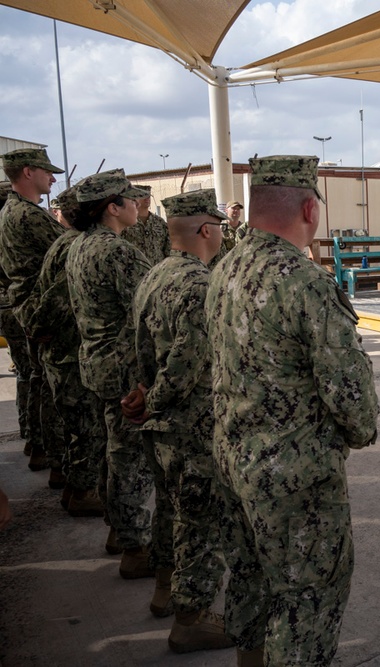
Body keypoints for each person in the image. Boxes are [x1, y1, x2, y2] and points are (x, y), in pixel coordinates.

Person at [206, 155, 379, 666]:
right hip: (295, 477)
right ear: (310, 208)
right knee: (307, 597)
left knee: (253, 577)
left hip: (233, 458)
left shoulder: (224, 268)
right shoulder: (304, 282)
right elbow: (353, 400)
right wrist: (359, 429)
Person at [126, 188, 233, 653]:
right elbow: (187, 365)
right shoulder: (196, 285)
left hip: (160, 424)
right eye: (222, 228)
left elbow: (146, 352)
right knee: (200, 521)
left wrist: (145, 397)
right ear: (206, 229)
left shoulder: (156, 275)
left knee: (172, 510)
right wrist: (155, 400)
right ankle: (191, 617)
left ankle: (165, 590)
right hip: (189, 424)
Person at [66, 169, 154, 578]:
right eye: (129, 199)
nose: (137, 205)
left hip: (97, 362)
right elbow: (150, 311)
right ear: (112, 208)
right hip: (123, 368)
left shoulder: (80, 245)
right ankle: (134, 544)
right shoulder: (116, 252)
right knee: (129, 458)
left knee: (114, 450)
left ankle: (120, 532)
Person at [30, 186, 106, 517]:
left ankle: (75, 486)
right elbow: (56, 299)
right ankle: (84, 491)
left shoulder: (66, 241)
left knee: (78, 423)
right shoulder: (76, 245)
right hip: (68, 349)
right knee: (86, 426)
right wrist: (41, 329)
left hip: (63, 348)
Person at [0, 148, 66, 482]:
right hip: (42, 309)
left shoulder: (15, 210)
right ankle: (62, 464)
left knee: (40, 380)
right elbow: (69, 249)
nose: (53, 178)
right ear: (28, 172)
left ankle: (47, 452)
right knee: (56, 389)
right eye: (47, 171)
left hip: (29, 306)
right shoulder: (28, 215)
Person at [0, 180, 30, 445]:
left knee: (23, 370)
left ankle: (28, 430)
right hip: (14, 305)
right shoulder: (12, 229)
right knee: (30, 371)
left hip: (7, 305)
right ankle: (33, 435)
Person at [121, 184, 171, 265]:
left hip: (157, 272)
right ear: (133, 198)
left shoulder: (159, 222)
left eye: (148, 195)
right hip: (135, 271)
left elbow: (168, 249)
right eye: (142, 195)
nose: (147, 198)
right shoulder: (126, 222)